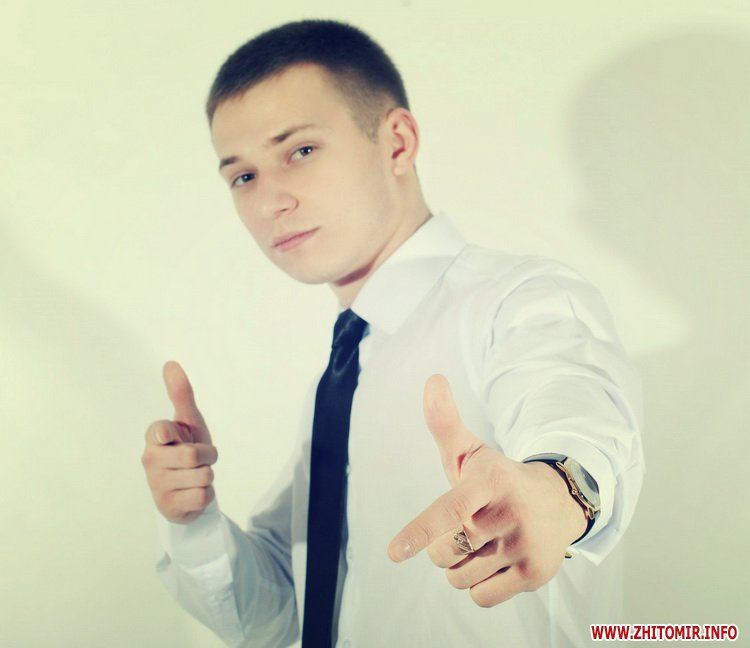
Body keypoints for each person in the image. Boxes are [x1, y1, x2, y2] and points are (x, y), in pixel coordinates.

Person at [141, 19, 644, 648]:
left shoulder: (522, 302)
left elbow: (576, 409)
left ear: (397, 143)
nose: (270, 202)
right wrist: (191, 521)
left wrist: (561, 489)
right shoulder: (344, 372)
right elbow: (280, 615)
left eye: (300, 151)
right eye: (243, 176)